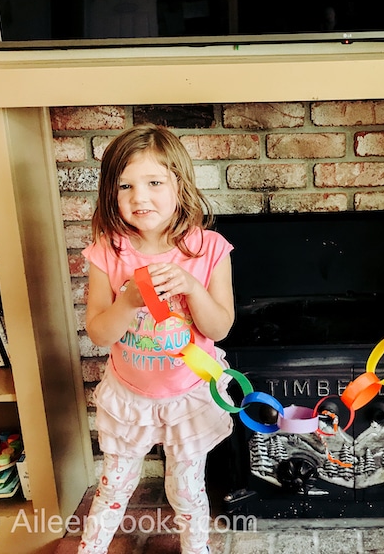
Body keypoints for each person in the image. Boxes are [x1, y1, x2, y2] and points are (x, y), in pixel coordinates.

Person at [79, 124, 235, 554]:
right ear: (111, 192)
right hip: (131, 396)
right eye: (125, 185)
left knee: (186, 488)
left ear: (179, 185)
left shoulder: (209, 249)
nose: (139, 197)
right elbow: (97, 331)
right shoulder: (107, 251)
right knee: (114, 485)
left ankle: (196, 548)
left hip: (187, 394)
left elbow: (220, 328)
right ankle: (91, 548)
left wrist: (192, 286)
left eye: (154, 182)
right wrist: (127, 302)